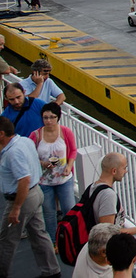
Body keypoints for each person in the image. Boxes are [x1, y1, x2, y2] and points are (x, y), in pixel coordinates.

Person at [0, 117, 61, 278]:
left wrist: (16, 208)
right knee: (39, 234)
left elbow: (24, 179)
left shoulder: (12, 153)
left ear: (1, 134)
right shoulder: (25, 141)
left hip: (22, 198)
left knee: (6, 239)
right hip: (36, 193)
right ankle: (52, 271)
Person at [29, 102, 77, 242]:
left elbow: (73, 151)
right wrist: (42, 163)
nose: (48, 121)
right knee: (49, 213)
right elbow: (30, 156)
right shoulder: (36, 135)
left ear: (58, 117)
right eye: (45, 117)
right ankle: (54, 241)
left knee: (69, 209)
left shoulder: (65, 132)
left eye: (52, 117)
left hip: (64, 179)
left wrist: (69, 166)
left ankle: (70, 239)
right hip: (44, 181)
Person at [89, 152, 136, 237]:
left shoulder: (93, 186)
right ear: (114, 171)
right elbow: (107, 234)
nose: (126, 171)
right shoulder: (108, 196)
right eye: (124, 168)